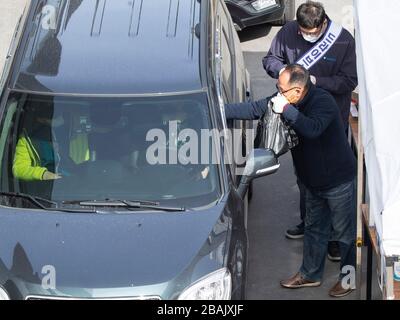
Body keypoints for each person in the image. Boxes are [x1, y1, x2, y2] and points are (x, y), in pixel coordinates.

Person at [225, 64, 356, 298]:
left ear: (297, 91)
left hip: (338, 182)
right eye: (277, 88)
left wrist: (286, 110)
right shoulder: (286, 99)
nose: (277, 93)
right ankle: (310, 275)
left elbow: (312, 129)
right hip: (311, 182)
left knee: (345, 235)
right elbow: (254, 108)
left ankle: (348, 280)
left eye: (281, 89)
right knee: (314, 230)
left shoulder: (322, 102)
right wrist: (217, 110)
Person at [262, 1, 358, 260]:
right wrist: (281, 70)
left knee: (335, 183)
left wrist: (318, 81)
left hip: (330, 123)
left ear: (322, 24)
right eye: (303, 31)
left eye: (311, 32)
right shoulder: (288, 32)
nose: (306, 35)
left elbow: (350, 80)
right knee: (304, 177)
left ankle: (336, 238)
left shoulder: (342, 41)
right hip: (296, 121)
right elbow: (270, 58)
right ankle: (310, 222)